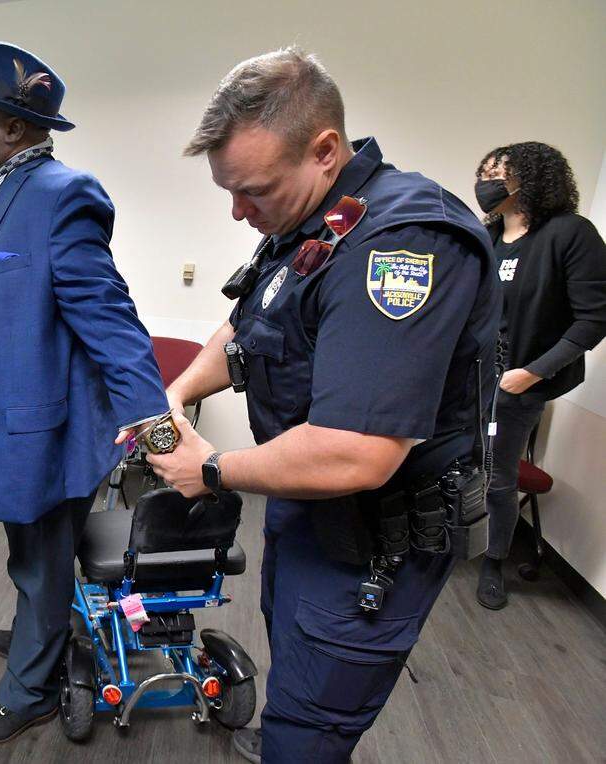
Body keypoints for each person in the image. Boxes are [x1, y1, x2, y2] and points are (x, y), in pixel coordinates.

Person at [146, 48, 500, 762]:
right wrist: (177, 391)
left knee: (312, 732)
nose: (239, 211)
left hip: (369, 546)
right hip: (305, 511)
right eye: (229, 191)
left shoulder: (400, 244)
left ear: (325, 149)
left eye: (253, 190)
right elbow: (247, 325)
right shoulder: (312, 223)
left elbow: (356, 450)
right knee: (295, 670)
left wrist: (210, 469)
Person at [0, 42, 168, 745]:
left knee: (38, 559)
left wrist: (158, 434)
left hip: (39, 428)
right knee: (29, 554)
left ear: (12, 128)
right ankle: (46, 631)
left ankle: (29, 690)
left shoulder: (64, 197)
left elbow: (113, 326)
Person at [473, 142, 606, 610]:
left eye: (498, 172)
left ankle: (494, 561)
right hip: (471, 379)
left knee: (498, 475)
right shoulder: (485, 236)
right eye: (484, 171)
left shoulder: (571, 234)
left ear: (530, 178)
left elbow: (593, 318)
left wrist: (531, 374)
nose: (486, 180)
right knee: (450, 462)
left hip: (520, 382)